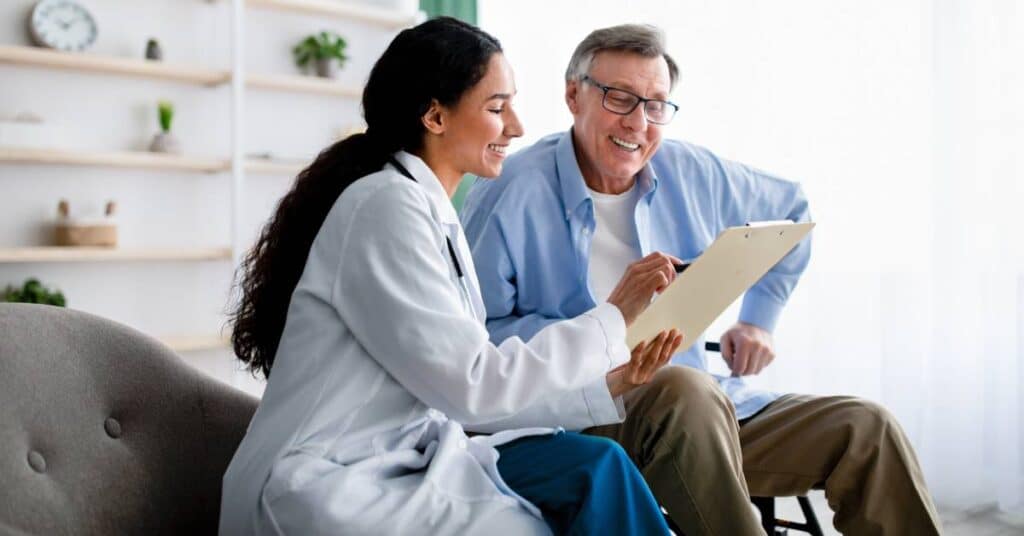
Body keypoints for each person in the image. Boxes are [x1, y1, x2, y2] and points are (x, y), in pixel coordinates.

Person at [461, 23, 943, 535]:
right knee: (683, 390)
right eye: (620, 98)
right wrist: (603, 333)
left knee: (866, 428)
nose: (639, 122)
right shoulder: (511, 192)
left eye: (655, 105)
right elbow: (477, 339)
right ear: (573, 94)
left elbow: (791, 211)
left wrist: (759, 321)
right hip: (583, 412)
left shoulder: (692, 171)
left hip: (707, 412)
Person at [219, 17, 680, 535]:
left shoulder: (426, 207)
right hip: (324, 481)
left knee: (596, 467)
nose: (517, 127)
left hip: (400, 458)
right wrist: (613, 318)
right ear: (435, 116)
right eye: (496, 107)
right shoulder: (384, 207)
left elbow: (461, 391)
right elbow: (474, 387)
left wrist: (607, 384)